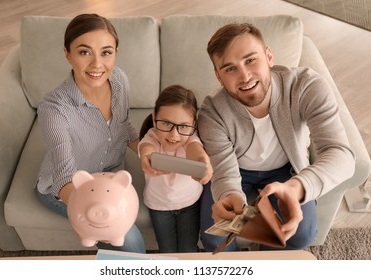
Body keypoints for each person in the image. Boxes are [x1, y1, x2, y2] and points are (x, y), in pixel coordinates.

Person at [198, 23, 355, 251]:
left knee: (302, 235)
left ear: (269, 56)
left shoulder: (306, 86)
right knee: (215, 237)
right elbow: (224, 171)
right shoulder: (212, 112)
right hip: (239, 171)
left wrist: (296, 187)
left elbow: (342, 156)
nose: (244, 76)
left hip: (287, 171)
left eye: (251, 60)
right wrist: (231, 197)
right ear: (219, 77)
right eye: (230, 69)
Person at [36, 13, 145, 253]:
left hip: (112, 177)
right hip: (68, 189)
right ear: (67, 54)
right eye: (85, 52)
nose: (97, 64)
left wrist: (145, 149)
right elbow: (65, 176)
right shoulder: (53, 108)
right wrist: (83, 210)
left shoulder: (119, 80)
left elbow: (123, 125)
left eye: (106, 52)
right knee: (131, 240)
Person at [138, 85, 213, 253]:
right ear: (154, 117)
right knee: (167, 250)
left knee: (188, 249)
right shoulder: (151, 136)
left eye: (183, 126)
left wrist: (202, 160)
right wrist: (146, 157)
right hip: (158, 206)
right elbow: (146, 149)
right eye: (166, 124)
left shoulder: (190, 137)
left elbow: (196, 150)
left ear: (193, 124)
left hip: (190, 204)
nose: (174, 135)